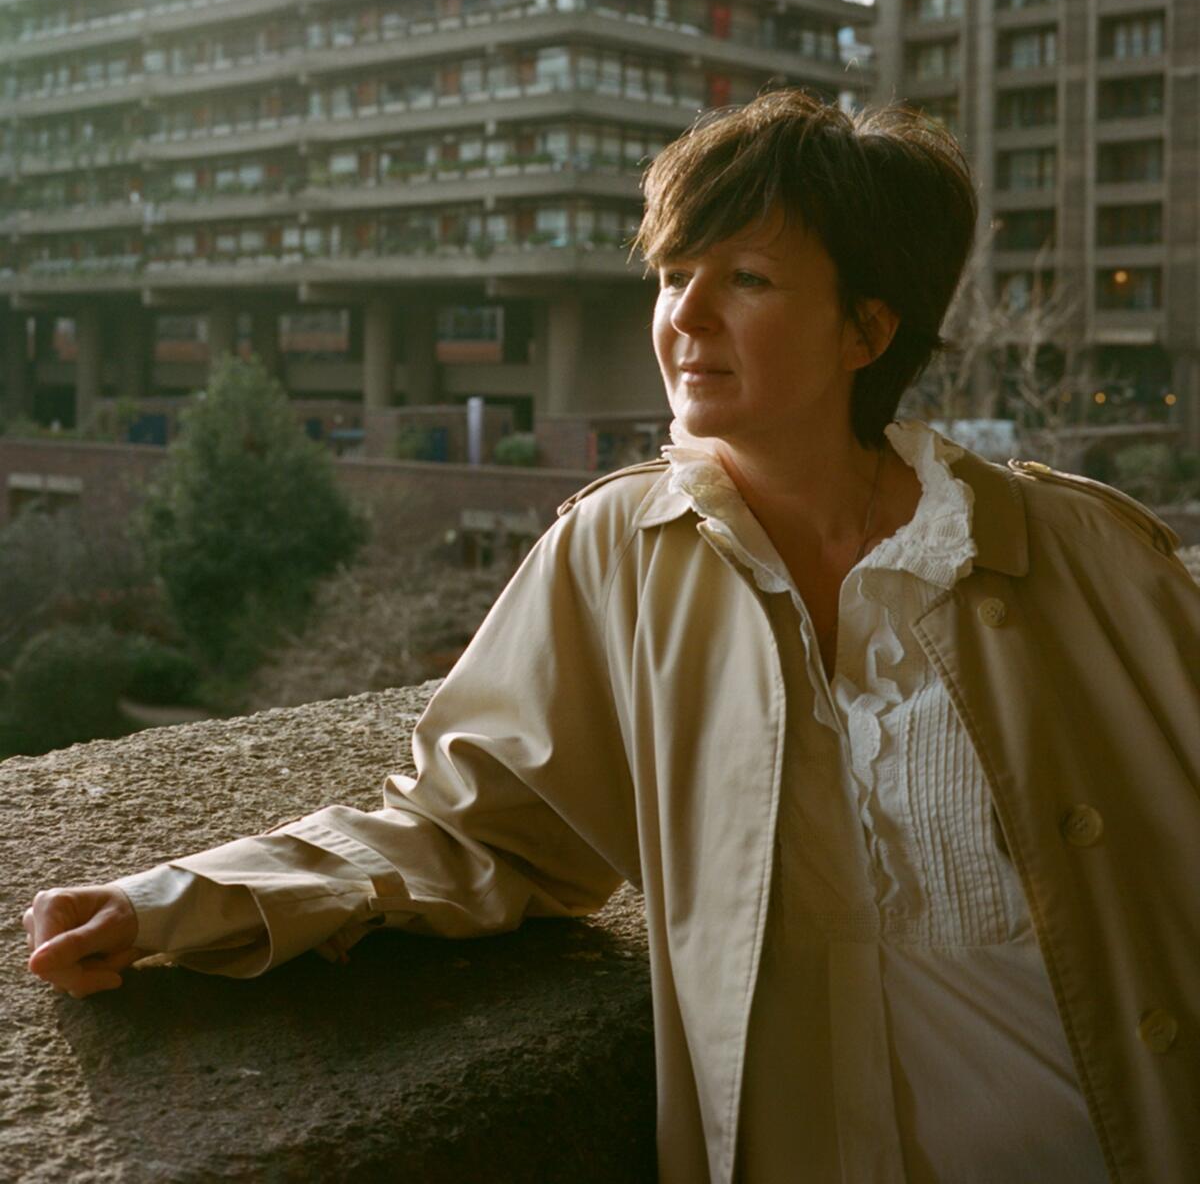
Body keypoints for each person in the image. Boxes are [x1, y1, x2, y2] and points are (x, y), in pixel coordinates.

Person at [25, 91, 1199, 1184]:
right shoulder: (620, 553)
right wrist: (185, 897)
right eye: (673, 273)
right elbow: (468, 817)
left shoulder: (1076, 553)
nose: (685, 314)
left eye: (745, 276)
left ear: (867, 326)